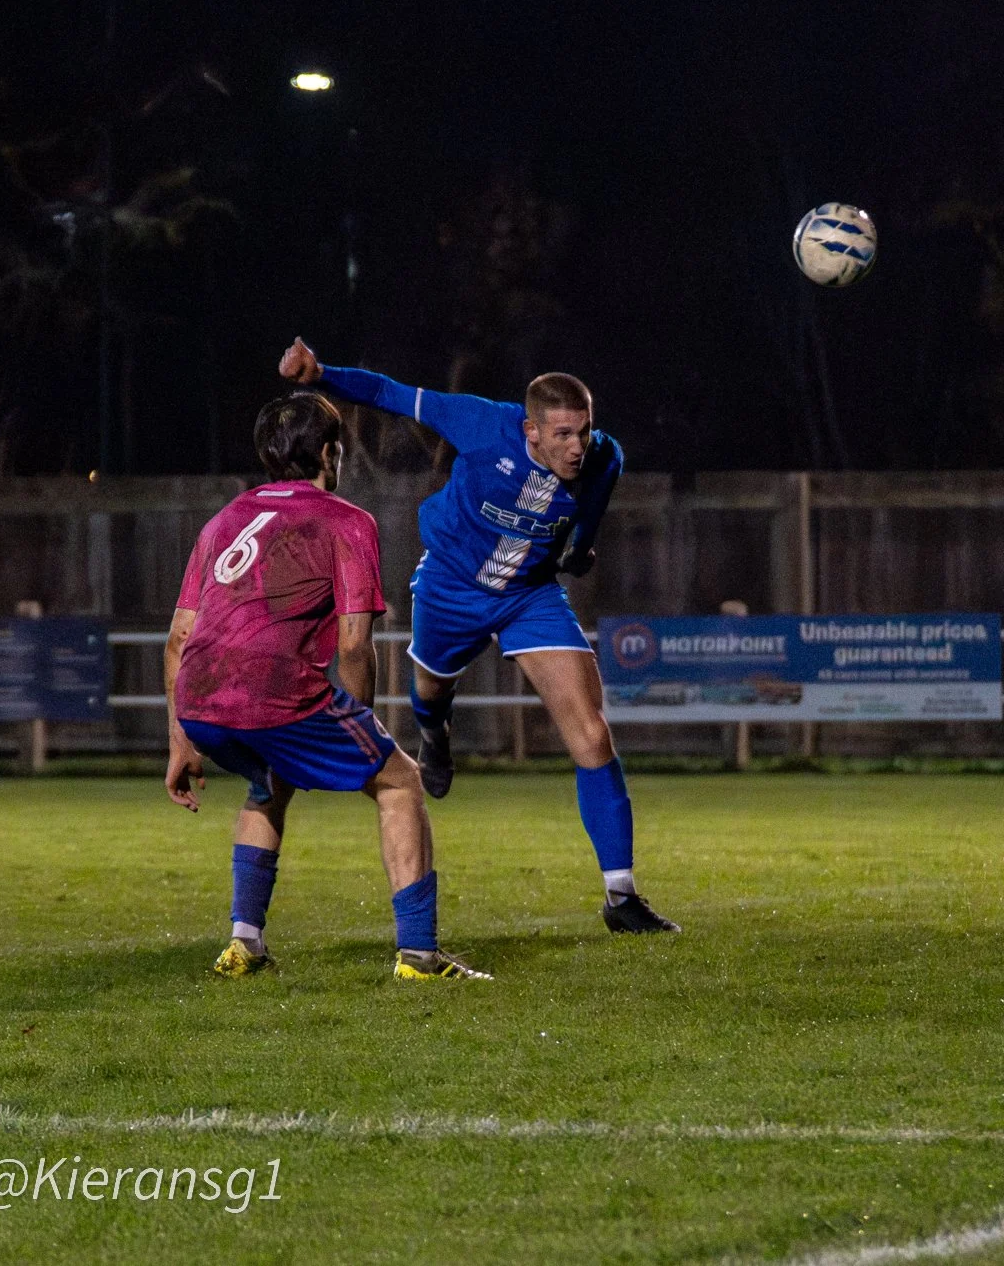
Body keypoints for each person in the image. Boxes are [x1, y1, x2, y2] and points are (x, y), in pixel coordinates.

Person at [277, 336, 678, 935]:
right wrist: (320, 374)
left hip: (529, 596)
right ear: (530, 430)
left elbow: (587, 518)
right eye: (563, 434)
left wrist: (580, 548)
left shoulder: (605, 457)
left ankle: (620, 897)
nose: (577, 446)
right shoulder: (480, 423)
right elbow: (388, 393)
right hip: (450, 583)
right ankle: (434, 734)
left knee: (592, 734)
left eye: (584, 431)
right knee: (431, 693)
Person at [166, 390, 490, 980]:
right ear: (330, 452)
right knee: (400, 782)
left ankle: (244, 945)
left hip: (199, 699)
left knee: (268, 784)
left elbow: (179, 638)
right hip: (275, 693)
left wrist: (180, 740)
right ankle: (418, 955)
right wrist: (360, 722)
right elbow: (352, 644)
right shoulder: (345, 522)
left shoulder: (224, 520)